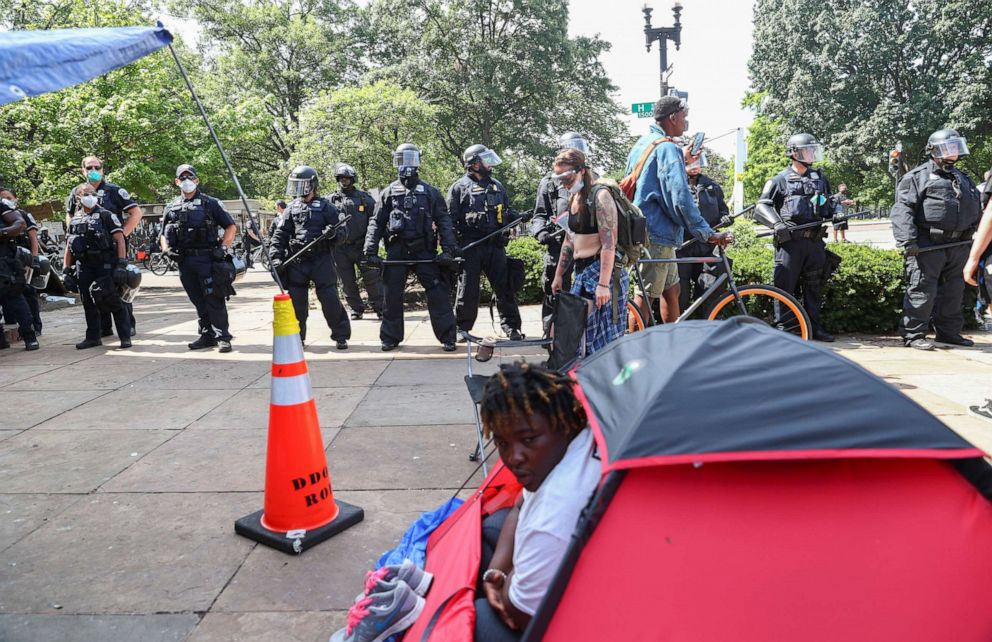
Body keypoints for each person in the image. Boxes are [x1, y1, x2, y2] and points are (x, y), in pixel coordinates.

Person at [474, 361, 601, 640]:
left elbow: (518, 614)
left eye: (529, 439)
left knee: (480, 616)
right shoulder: (578, 440)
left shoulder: (553, 516)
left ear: (565, 423)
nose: (514, 457)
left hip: (580, 618)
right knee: (492, 527)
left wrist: (507, 579)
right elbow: (519, 503)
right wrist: (497, 570)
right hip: (579, 564)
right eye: (503, 444)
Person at [625, 96, 733, 323]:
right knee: (645, 295)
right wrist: (707, 233)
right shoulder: (667, 148)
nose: (686, 122)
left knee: (671, 291)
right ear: (673, 117)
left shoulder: (646, 143)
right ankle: (634, 353)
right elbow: (680, 199)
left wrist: (680, 159)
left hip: (647, 230)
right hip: (656, 234)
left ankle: (671, 343)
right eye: (684, 117)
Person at [363, 143, 460, 352]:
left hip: (424, 249)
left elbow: (444, 220)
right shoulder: (388, 192)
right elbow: (376, 222)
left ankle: (447, 337)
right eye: (401, 159)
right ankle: (390, 337)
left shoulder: (431, 192)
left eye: (410, 159)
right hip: (397, 249)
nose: (406, 165)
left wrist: (448, 250)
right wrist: (370, 251)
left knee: (438, 293)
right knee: (392, 295)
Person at [892, 128, 982, 350]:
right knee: (922, 290)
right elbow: (902, 210)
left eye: (955, 148)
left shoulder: (963, 178)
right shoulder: (916, 177)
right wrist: (908, 241)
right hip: (927, 246)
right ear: (934, 150)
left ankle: (948, 333)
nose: (953, 153)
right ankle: (913, 334)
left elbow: (975, 209)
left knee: (954, 292)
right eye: (948, 148)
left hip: (958, 245)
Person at [754, 132, 837, 342]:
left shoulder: (820, 178)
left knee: (815, 286)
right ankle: (786, 329)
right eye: (807, 150)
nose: (811, 154)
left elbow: (827, 207)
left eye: (812, 150)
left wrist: (837, 213)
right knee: (784, 288)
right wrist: (776, 224)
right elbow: (762, 206)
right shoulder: (779, 180)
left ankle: (813, 327)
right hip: (790, 243)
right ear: (794, 153)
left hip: (815, 242)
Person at [549, 148, 628, 356]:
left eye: (567, 176)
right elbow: (569, 239)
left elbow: (609, 244)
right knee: (580, 338)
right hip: (582, 274)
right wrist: (559, 275)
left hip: (602, 274)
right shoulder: (573, 197)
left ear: (581, 170)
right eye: (559, 178)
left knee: (602, 341)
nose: (564, 182)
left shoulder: (600, 196)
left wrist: (603, 284)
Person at [448, 144, 528, 340]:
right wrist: (452, 248)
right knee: (468, 289)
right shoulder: (459, 187)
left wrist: (519, 217)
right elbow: (449, 220)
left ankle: (511, 327)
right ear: (474, 164)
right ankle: (462, 328)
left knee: (504, 287)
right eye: (485, 160)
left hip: (495, 245)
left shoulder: (497, 186)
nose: (490, 164)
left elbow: (507, 211)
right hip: (471, 247)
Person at [268, 166, 351, 349]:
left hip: (321, 259)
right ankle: (298, 338)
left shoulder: (327, 207)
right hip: (298, 261)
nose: (299, 190)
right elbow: (280, 235)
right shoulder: (291, 209)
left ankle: (340, 335)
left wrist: (332, 234)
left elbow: (343, 233)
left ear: (312, 185)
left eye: (302, 185)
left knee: (330, 299)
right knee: (297, 302)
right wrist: (275, 258)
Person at [161, 164, 237, 353]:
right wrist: (167, 250)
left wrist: (223, 247)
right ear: (177, 181)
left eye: (190, 177)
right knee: (197, 299)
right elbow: (163, 233)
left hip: (208, 258)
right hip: (185, 261)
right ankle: (206, 335)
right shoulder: (172, 207)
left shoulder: (210, 203)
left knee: (214, 297)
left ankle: (223, 337)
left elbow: (230, 227)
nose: (187, 181)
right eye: (182, 178)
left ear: (197, 180)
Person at [66, 156, 142, 336]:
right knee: (93, 292)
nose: (93, 170)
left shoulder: (114, 191)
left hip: (112, 250)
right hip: (87, 252)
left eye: (97, 167)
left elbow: (136, 212)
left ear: (102, 169)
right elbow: (69, 215)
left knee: (118, 287)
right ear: (82, 170)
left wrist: (120, 235)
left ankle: (127, 326)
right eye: (89, 167)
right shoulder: (77, 192)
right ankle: (103, 327)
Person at [532, 132, 587, 335]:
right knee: (554, 296)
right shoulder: (549, 182)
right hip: (558, 248)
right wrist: (541, 232)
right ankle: (551, 340)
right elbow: (538, 215)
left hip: (585, 249)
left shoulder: (592, 180)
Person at [65, 182, 131, 349]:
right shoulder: (74, 220)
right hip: (84, 266)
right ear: (78, 197)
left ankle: (124, 336)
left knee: (113, 300)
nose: (91, 197)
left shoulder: (106, 215)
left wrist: (122, 264)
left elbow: (120, 239)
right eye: (86, 194)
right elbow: (69, 247)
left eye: (93, 193)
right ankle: (93, 337)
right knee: (88, 302)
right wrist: (66, 270)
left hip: (105, 264)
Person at [678, 154, 731, 312]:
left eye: (698, 163)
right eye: (691, 163)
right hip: (682, 247)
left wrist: (725, 218)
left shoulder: (712, 186)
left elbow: (722, 209)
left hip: (707, 246)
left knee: (710, 289)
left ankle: (706, 323)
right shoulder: (675, 186)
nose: (694, 166)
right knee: (680, 292)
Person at [330, 164, 383, 320]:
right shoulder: (330, 200)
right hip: (340, 248)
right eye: (341, 178)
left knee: (372, 279)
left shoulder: (364, 198)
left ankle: (380, 308)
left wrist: (374, 243)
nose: (344, 181)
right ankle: (356, 309)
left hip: (362, 246)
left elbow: (377, 220)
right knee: (347, 281)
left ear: (353, 179)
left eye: (347, 178)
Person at [1, 187, 43, 335]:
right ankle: (13, 323)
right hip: (9, 258)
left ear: (15, 198)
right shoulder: (3, 215)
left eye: (8, 197)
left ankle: (35, 327)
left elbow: (33, 238)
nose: (5, 200)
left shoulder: (23, 215)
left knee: (27, 291)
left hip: (24, 258)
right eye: (2, 197)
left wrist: (35, 258)